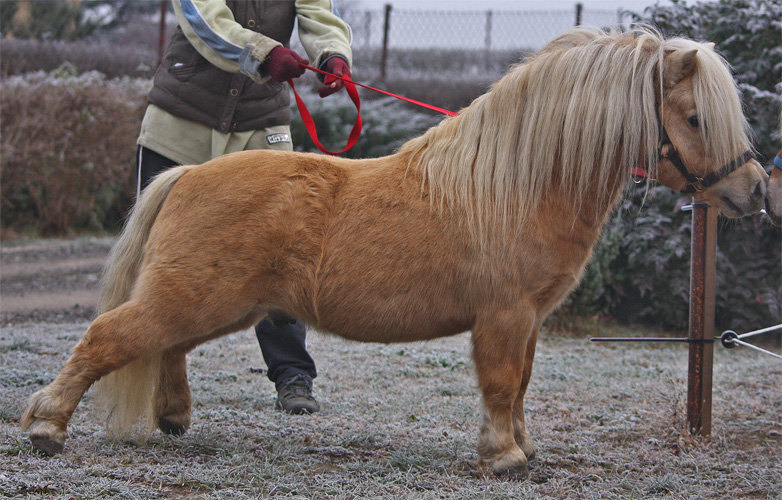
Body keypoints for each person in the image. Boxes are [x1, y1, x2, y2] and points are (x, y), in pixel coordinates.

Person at [135, 0, 353, 415]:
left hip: (261, 123)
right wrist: (265, 53)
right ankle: (161, 374)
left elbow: (319, 15)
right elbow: (204, 20)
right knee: (155, 257)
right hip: (180, 123)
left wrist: (333, 55)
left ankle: (293, 373)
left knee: (285, 253)